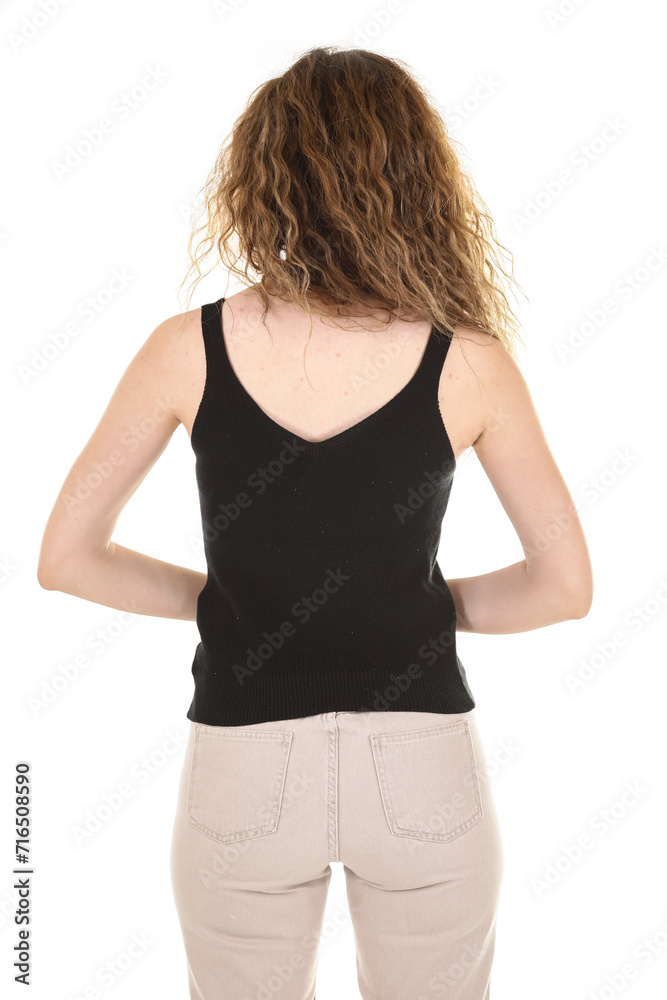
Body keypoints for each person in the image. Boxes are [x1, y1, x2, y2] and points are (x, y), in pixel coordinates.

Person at [37, 45, 593, 1000]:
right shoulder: (467, 362)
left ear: (263, 179)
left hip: (242, 766)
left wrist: (235, 603)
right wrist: (409, 604)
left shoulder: (186, 349)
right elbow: (564, 587)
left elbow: (66, 559)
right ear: (419, 180)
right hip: (421, 767)